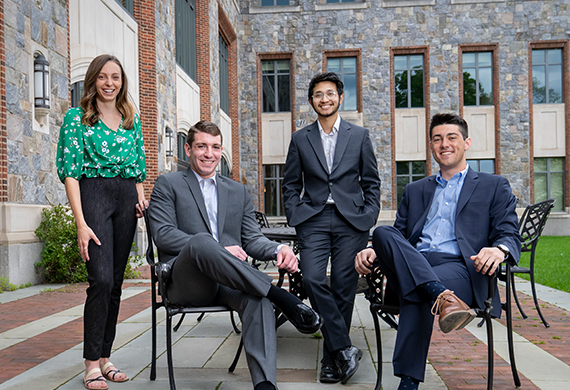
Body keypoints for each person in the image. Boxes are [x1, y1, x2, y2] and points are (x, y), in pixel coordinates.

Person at [148, 120, 323, 390]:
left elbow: (252, 239)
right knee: (202, 242)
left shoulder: (237, 191)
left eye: (215, 147)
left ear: (221, 151)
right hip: (188, 282)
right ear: (188, 149)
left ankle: (265, 385)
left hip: (230, 281)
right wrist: (217, 248)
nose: (209, 154)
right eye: (201, 146)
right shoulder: (168, 184)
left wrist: (279, 248)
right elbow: (164, 235)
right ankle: (283, 297)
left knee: (259, 301)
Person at [355, 113, 522, 390]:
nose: (444, 143)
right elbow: (399, 237)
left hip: (460, 268)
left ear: (466, 142)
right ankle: (441, 297)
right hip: (415, 262)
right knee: (382, 233)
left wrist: (499, 250)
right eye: (437, 138)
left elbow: (509, 232)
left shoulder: (493, 186)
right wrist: (373, 250)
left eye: (451, 137)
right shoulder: (415, 189)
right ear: (432, 146)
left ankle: (408, 384)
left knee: (418, 290)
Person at [282, 72, 381, 384]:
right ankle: (344, 348)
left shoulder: (359, 136)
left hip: (351, 220)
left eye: (329, 93)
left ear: (341, 97)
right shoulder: (300, 138)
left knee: (343, 286)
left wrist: (368, 216)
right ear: (311, 101)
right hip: (313, 218)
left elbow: (372, 183)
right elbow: (290, 184)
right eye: (317, 95)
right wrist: (295, 213)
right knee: (311, 278)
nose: (324, 99)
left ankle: (331, 359)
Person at [56, 54, 148, 390]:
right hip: (93, 194)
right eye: (103, 77)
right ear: (93, 79)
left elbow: (137, 162)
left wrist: (139, 195)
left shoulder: (130, 118)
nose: (110, 83)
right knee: (101, 280)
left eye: (116, 78)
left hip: (125, 199)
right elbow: (70, 172)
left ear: (122, 82)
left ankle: (106, 358)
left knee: (117, 285)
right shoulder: (77, 118)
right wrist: (80, 222)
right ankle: (91, 364)